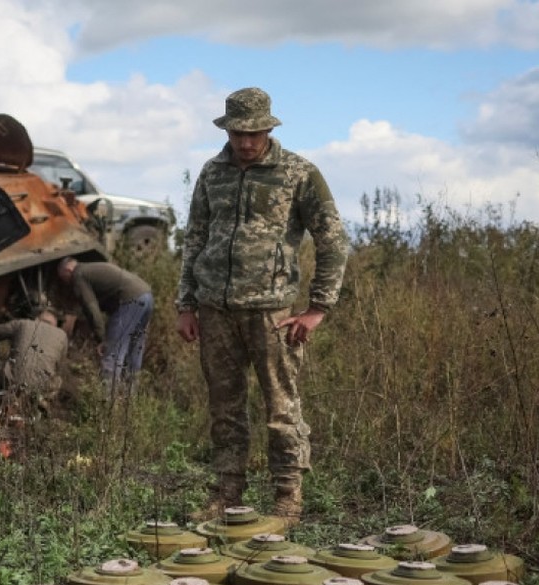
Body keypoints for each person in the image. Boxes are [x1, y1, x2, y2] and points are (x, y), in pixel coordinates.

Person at [176, 87, 349, 520]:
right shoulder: (212, 172)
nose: (246, 142)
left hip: (273, 313)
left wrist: (317, 308)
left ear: (270, 127)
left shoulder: (298, 173)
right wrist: (186, 304)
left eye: (254, 133)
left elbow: (332, 242)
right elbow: (194, 238)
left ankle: (287, 496)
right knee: (225, 408)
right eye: (238, 133)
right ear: (228, 130)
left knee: (281, 407)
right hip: (215, 310)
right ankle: (226, 494)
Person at [56, 257, 153, 392]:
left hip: (129, 300)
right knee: (134, 352)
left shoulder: (78, 275)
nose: (67, 284)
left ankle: (106, 404)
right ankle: (130, 400)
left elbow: (91, 308)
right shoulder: (92, 267)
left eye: (64, 279)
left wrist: (102, 338)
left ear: (67, 270)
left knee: (112, 356)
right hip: (146, 296)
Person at [0, 310, 69, 403]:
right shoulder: (62, 335)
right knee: (58, 379)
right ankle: (42, 401)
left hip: (13, 385)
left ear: (37, 319)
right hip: (41, 390)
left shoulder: (23, 323)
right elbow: (59, 367)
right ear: (55, 324)